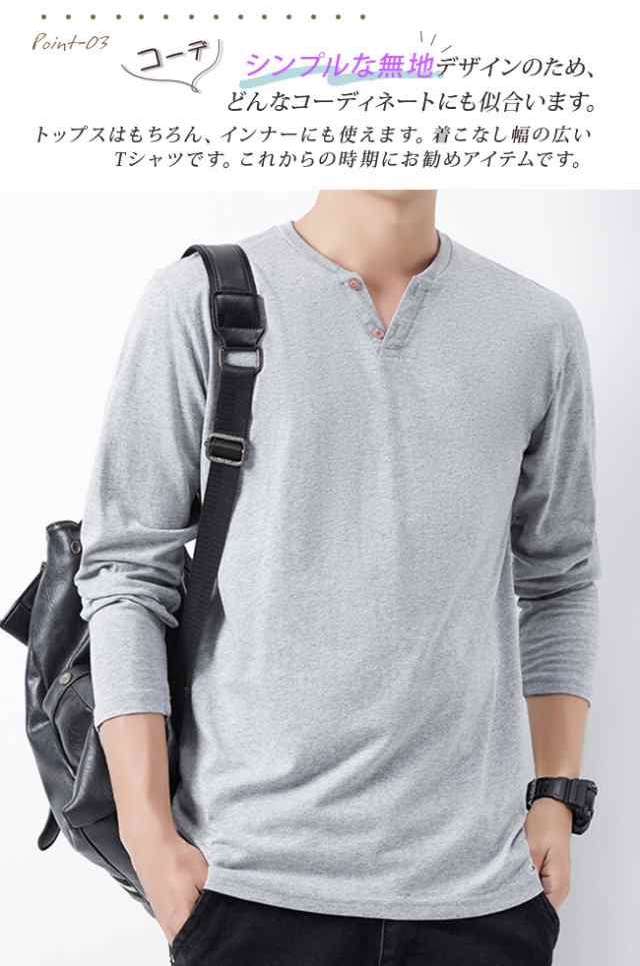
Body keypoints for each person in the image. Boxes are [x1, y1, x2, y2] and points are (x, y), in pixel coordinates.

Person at [74, 190, 600, 965]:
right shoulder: (201, 301)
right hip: (252, 885)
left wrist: (557, 794)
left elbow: (560, 578)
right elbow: (125, 570)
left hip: (483, 897)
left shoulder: (536, 327)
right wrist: (147, 834)